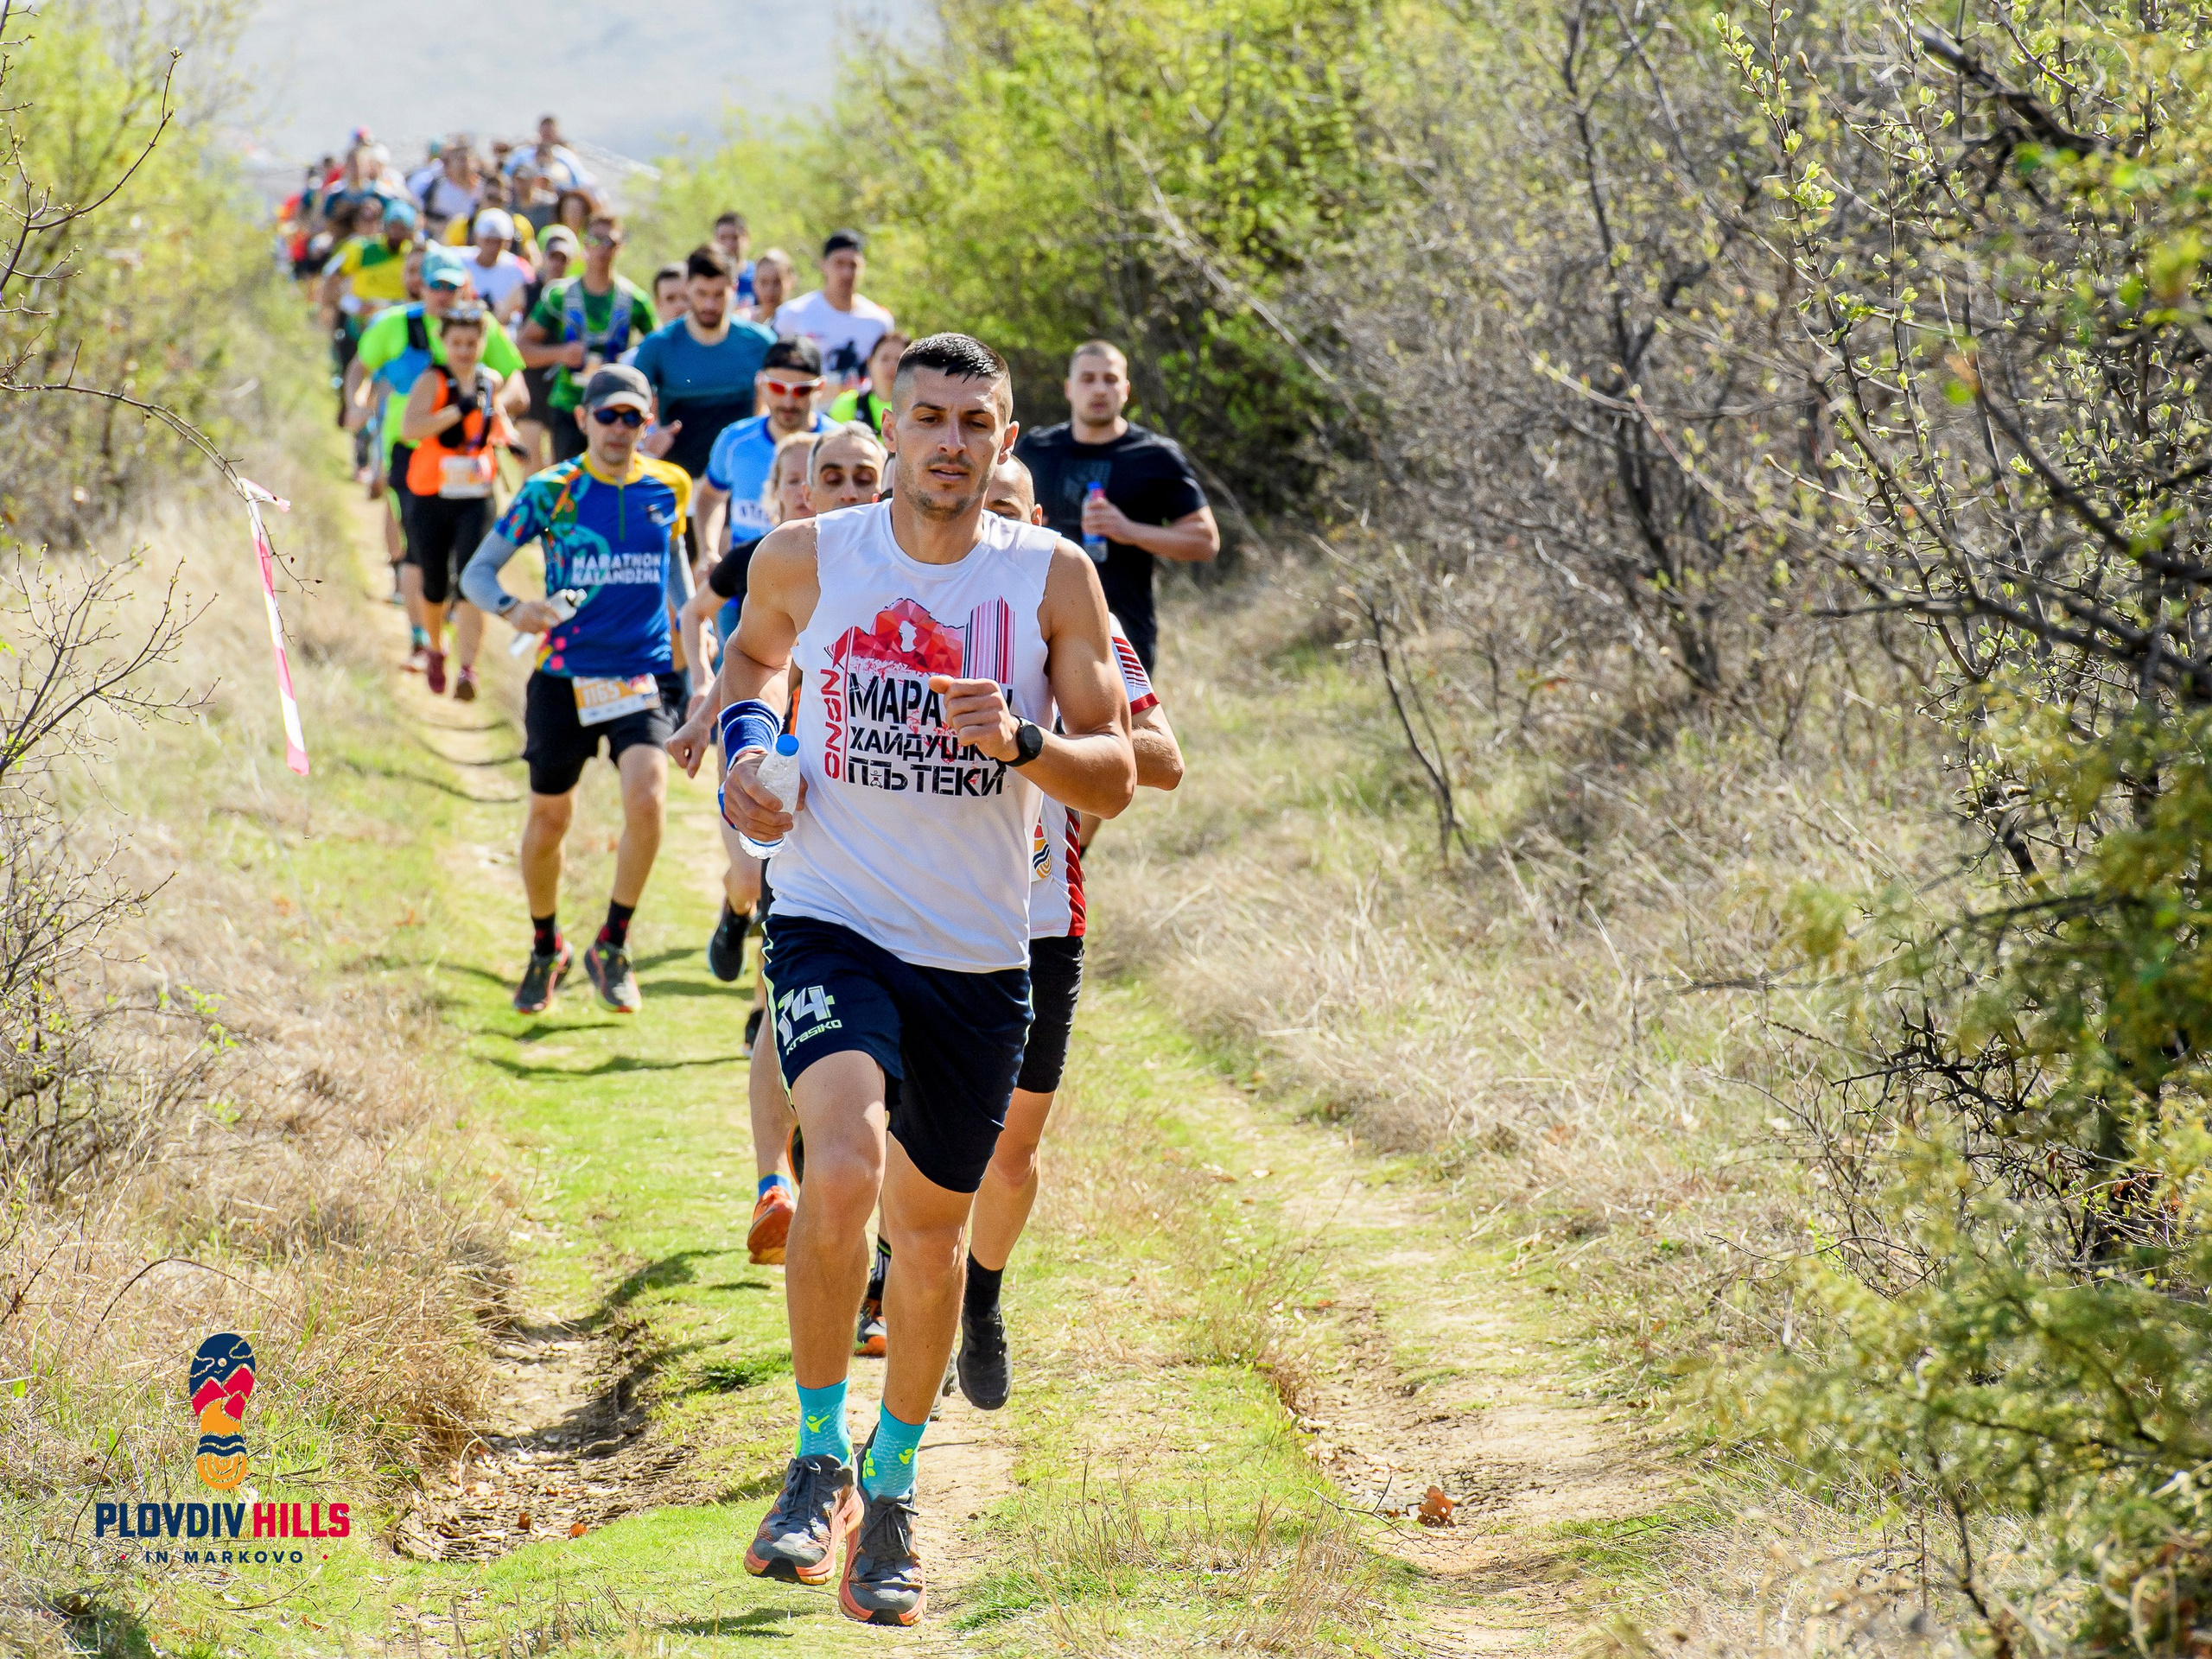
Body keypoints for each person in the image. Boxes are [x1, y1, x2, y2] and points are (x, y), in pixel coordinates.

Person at [667, 334, 1135, 1627]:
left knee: (928, 1244)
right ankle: (818, 1457)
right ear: (888, 422)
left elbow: (1118, 775)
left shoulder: (1053, 578)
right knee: (846, 1167)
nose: (947, 442)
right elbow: (750, 667)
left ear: (1003, 440)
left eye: (972, 422)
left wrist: (1027, 739)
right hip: (833, 912)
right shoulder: (810, 555)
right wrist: (756, 745)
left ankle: (896, 1483)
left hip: (981, 954)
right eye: (925, 417)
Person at [953, 456, 1184, 1411]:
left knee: (1010, 1150)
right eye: (979, 508)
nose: (990, 522)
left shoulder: (1078, 613)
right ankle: (899, 1269)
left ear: (1035, 517)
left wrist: (1041, 746)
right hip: (917, 903)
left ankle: (982, 1300)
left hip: (1041, 915)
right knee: (899, 1120)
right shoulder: (913, 602)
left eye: (1007, 507)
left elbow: (1162, 760)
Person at [461, 365, 695, 1016]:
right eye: (609, 416)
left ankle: (613, 944)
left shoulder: (669, 486)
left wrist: (698, 658)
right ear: (586, 418)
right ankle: (546, 946)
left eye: (633, 418)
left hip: (639, 673)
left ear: (648, 424)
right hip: (564, 676)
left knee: (648, 798)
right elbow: (477, 574)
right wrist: (514, 609)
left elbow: (679, 581)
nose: (620, 429)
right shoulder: (550, 492)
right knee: (548, 821)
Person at [353, 246, 529, 683]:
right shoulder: (397, 325)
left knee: (472, 572)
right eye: (437, 285)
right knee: (422, 561)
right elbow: (361, 367)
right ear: (422, 285)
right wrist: (355, 406)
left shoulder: (479, 328)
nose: (444, 294)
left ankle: (465, 666)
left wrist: (492, 413)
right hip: (414, 458)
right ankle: (425, 641)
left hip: (472, 471)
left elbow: (517, 385)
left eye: (453, 286)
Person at [1014, 340, 1220, 674]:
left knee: (1119, 729)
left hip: (1121, 629)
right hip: (1035, 624)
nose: (1099, 389)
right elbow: (987, 519)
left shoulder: (1155, 456)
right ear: (1069, 389)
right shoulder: (1035, 450)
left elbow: (1205, 541)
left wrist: (1128, 530)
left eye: (1109, 380)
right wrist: (1021, 527)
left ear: (1125, 390)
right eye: (1087, 379)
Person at [398, 302, 515, 701]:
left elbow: (498, 420)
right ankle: (435, 647)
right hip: (431, 494)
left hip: (476, 496)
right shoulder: (432, 381)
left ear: (483, 343)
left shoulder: (489, 381)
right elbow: (410, 428)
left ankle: (468, 669)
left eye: (472, 342)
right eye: (457, 343)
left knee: (471, 581)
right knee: (434, 583)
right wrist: (456, 410)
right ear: (444, 343)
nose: (465, 350)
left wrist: (512, 442)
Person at [629, 245, 776, 483]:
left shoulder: (760, 343)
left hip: (739, 477)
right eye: (701, 293)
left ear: (734, 288)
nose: (709, 305)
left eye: (719, 295)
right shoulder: (658, 345)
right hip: (677, 477)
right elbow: (630, 405)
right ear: (687, 287)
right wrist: (650, 438)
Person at [694, 338, 830, 586]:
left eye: (801, 390)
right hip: (742, 582)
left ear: (820, 387)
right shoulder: (735, 440)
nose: (788, 402)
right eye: (778, 388)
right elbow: (711, 497)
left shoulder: (835, 444)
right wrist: (708, 550)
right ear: (761, 383)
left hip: (818, 580)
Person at [521, 215, 653, 467]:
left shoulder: (635, 300)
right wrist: (561, 353)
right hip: (569, 404)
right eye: (595, 240)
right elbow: (523, 349)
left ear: (619, 247)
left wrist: (630, 362)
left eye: (609, 242)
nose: (602, 249)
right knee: (570, 481)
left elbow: (657, 349)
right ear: (585, 245)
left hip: (616, 408)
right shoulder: (560, 295)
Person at [774, 230, 895, 391]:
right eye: (839, 263)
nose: (847, 273)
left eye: (853, 265)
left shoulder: (879, 322)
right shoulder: (792, 314)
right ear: (823, 265)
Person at [513, 226, 576, 470]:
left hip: (563, 382)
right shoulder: (526, 291)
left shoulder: (576, 294)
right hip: (532, 380)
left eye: (564, 258)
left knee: (559, 460)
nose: (558, 264)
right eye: (553, 256)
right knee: (530, 459)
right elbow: (499, 321)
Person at [825, 330, 907, 436]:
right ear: (870, 363)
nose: (891, 366)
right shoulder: (848, 404)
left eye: (899, 360)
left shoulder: (919, 408)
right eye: (884, 359)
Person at [462, 209, 533, 324]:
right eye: (488, 240)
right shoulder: (457, 261)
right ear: (477, 237)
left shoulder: (519, 268)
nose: (493, 247)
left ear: (508, 242)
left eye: (498, 241)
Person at [713, 210, 757, 310]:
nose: (729, 244)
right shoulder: (707, 278)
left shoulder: (758, 276)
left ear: (747, 239)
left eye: (735, 238)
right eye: (723, 238)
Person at [747, 248, 794, 328]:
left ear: (791, 282)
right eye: (764, 282)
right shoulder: (744, 323)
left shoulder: (799, 322)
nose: (770, 290)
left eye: (777, 282)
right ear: (754, 284)